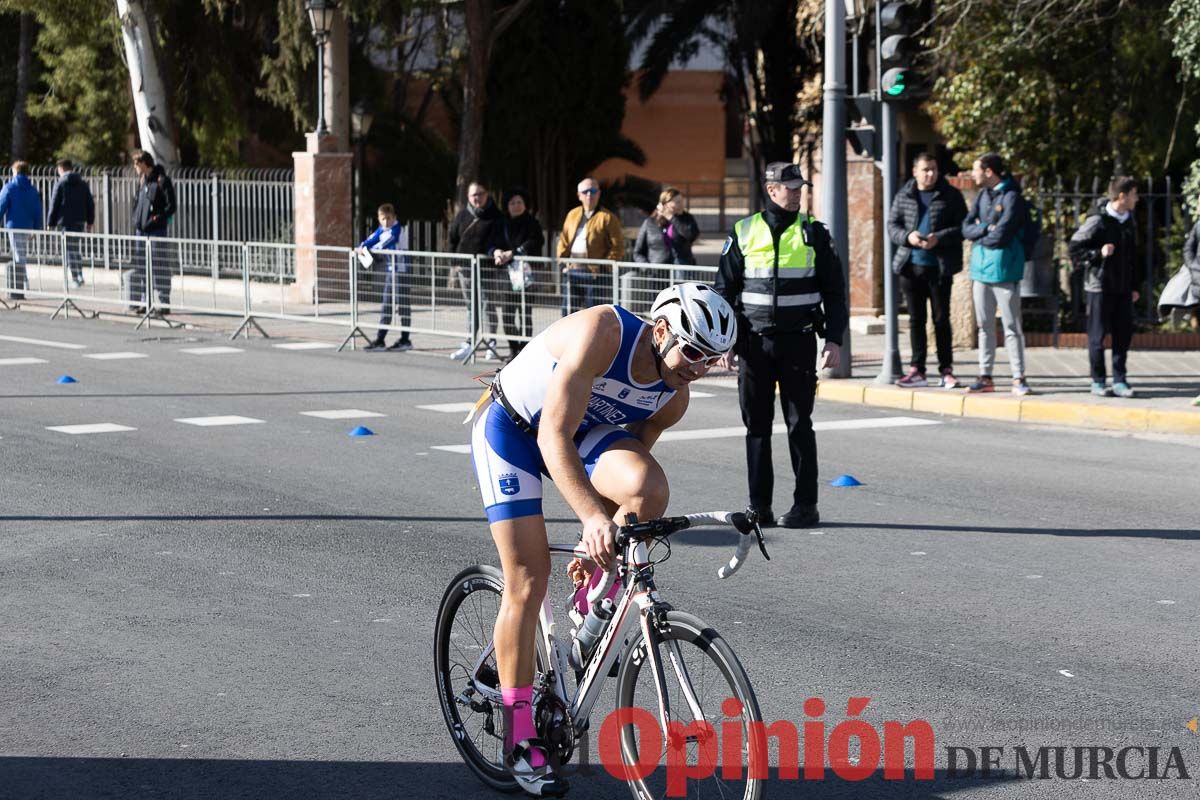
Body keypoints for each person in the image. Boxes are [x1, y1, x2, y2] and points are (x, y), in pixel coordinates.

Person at [470, 282, 736, 796]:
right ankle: (519, 735)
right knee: (527, 578)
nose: (699, 368)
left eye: (714, 359)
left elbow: (626, 472)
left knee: (649, 487)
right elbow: (551, 435)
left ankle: (593, 603)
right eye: (694, 352)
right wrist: (591, 519)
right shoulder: (603, 333)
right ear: (660, 330)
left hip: (579, 435)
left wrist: (603, 539)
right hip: (515, 430)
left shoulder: (673, 397)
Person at [714, 162, 847, 529]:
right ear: (771, 190)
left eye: (800, 187)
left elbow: (835, 292)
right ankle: (760, 508)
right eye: (790, 188)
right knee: (757, 428)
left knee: (799, 424)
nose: (797, 193)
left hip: (799, 341)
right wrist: (726, 340)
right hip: (754, 344)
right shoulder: (744, 231)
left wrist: (834, 338)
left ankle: (806, 506)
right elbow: (724, 292)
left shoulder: (814, 234)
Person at [887, 153, 968, 388]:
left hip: (939, 268)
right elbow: (892, 226)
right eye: (925, 169)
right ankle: (917, 369)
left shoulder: (951, 195)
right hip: (910, 267)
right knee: (916, 320)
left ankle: (946, 369)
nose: (930, 174)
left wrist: (938, 239)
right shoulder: (904, 195)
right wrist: (908, 236)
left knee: (941, 319)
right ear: (915, 171)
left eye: (933, 169)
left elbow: (963, 227)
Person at [962, 152, 1030, 396]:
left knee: (1011, 325)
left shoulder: (1012, 197)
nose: (973, 173)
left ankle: (1018, 377)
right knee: (984, 327)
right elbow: (966, 227)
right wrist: (983, 228)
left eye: (976, 169)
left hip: (1004, 270)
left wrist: (983, 234)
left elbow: (1003, 234)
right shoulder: (982, 195)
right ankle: (985, 375)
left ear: (989, 171)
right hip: (980, 271)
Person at [1068, 177, 1143, 398]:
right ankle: (1098, 381)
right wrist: (1096, 254)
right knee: (1097, 336)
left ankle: (1120, 380)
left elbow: (1133, 256)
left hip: (1122, 287)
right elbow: (1074, 248)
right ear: (1122, 196)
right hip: (1099, 286)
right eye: (1134, 195)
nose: (1136, 199)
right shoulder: (1098, 220)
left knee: (1123, 335)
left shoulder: (1129, 220)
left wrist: (1135, 285)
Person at [488, 186, 545, 359]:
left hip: (527, 274)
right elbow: (490, 244)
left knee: (525, 314)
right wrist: (496, 252)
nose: (516, 205)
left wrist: (513, 253)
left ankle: (524, 351)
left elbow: (536, 242)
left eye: (519, 202)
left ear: (525, 204)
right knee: (507, 314)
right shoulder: (501, 223)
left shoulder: (532, 223)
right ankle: (514, 349)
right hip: (507, 276)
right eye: (512, 202)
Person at [448, 181, 503, 360]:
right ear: (468, 197)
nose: (477, 198)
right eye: (474, 195)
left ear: (486, 194)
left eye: (480, 194)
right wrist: (453, 262)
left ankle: (491, 341)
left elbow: (499, 239)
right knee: (471, 305)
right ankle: (470, 340)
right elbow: (453, 238)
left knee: (488, 304)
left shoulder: (496, 215)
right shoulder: (462, 215)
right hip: (465, 267)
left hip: (487, 267)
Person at [556, 177, 624, 313]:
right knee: (568, 313)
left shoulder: (608, 217)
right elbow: (563, 240)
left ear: (599, 194)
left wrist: (604, 264)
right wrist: (562, 261)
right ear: (579, 195)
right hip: (572, 271)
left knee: (594, 314)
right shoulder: (572, 214)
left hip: (595, 274)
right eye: (586, 191)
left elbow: (618, 246)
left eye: (593, 191)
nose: (589, 195)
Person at [357, 203, 413, 351]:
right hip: (390, 271)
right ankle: (380, 339)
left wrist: (370, 249)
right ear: (379, 219)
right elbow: (372, 239)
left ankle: (405, 339)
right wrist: (361, 246)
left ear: (394, 217)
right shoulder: (383, 229)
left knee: (403, 306)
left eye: (389, 218)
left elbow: (386, 243)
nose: (386, 222)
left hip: (401, 272)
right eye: (383, 219)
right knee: (387, 305)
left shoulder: (397, 229)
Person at [129, 151, 177, 314]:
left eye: (136, 164)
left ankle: (164, 303)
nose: (135, 167)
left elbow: (171, 206)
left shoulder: (162, 180)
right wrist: (136, 218)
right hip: (141, 231)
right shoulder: (142, 181)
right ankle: (145, 301)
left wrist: (157, 218)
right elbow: (137, 203)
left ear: (144, 163)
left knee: (159, 265)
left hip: (156, 231)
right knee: (142, 266)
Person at [47, 158, 95, 288]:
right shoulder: (82, 183)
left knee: (68, 249)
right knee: (74, 248)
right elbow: (90, 203)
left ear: (61, 169)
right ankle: (79, 274)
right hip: (79, 220)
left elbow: (54, 203)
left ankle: (75, 278)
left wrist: (50, 222)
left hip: (65, 221)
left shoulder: (60, 183)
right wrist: (90, 221)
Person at [0, 160, 42, 302]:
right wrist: (37, 229)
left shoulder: (10, 187)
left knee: (19, 254)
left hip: (14, 225)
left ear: (15, 171)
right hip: (28, 226)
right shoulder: (32, 190)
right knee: (21, 253)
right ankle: (22, 281)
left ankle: (22, 283)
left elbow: (1, 205)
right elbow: (38, 211)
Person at [633, 187, 699, 266]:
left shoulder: (687, 218)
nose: (682, 205)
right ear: (665, 204)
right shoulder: (650, 222)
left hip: (682, 269)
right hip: (658, 271)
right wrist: (647, 268)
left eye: (682, 201)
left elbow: (691, 236)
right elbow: (638, 252)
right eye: (677, 202)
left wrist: (671, 217)